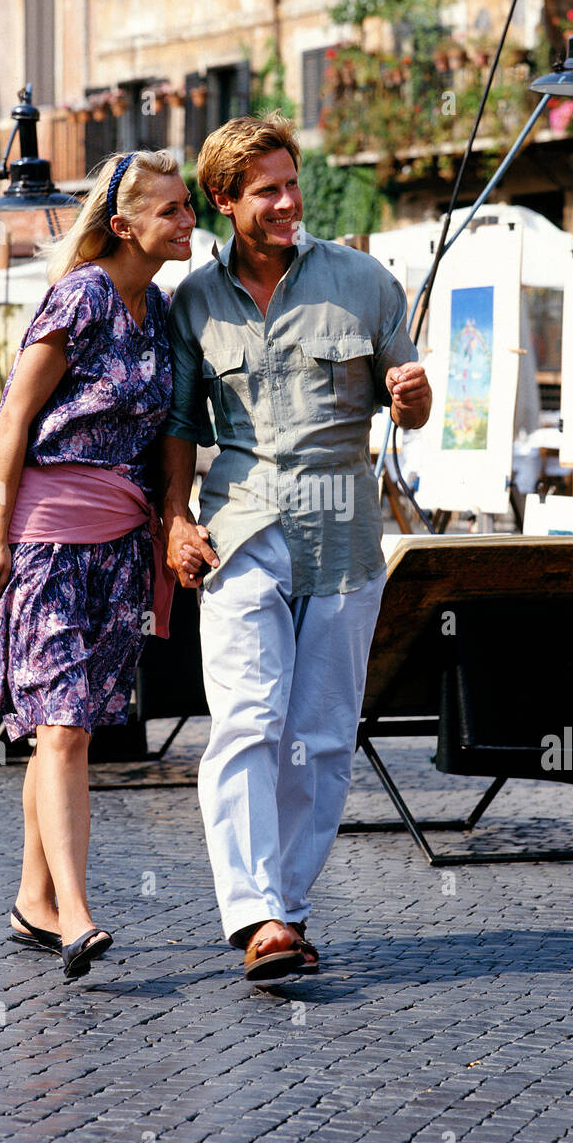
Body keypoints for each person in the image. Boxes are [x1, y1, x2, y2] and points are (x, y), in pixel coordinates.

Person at [159, 113, 431, 984]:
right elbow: (175, 426)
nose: (286, 202)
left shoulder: (365, 282)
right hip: (240, 528)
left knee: (318, 732)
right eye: (265, 190)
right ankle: (254, 918)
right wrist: (173, 515)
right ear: (225, 201)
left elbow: (411, 408)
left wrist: (413, 396)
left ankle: (288, 909)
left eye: (290, 182)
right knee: (245, 721)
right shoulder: (193, 302)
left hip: (345, 533)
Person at [0, 150, 194, 980]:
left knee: (68, 732)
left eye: (186, 207)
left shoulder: (159, 308)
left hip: (117, 549)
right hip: (47, 541)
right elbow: (13, 418)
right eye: (170, 209)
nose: (187, 220)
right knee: (62, 728)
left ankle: (32, 899)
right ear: (123, 222)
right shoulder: (84, 294)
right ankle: (76, 915)